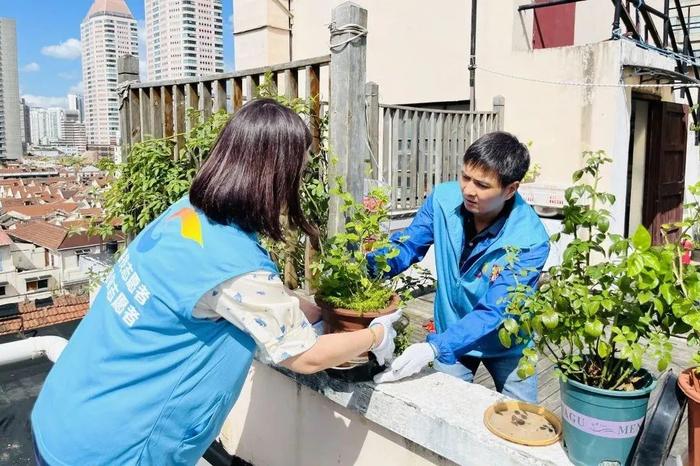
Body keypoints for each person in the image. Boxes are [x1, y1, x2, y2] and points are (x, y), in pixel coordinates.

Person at [30, 99, 401, 466]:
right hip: (115, 449)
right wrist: (378, 336)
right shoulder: (233, 264)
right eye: (298, 173)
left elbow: (231, 291)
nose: (298, 185)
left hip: (65, 414)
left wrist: (306, 308)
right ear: (275, 176)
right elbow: (304, 356)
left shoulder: (186, 215)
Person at [371, 132, 549, 403]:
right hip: (451, 326)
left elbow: (496, 310)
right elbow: (408, 246)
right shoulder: (443, 199)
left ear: (510, 189)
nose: (468, 189)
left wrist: (434, 348)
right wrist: (365, 268)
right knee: (442, 411)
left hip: (507, 342)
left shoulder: (530, 240)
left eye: (482, 184)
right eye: (465, 177)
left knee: (521, 423)